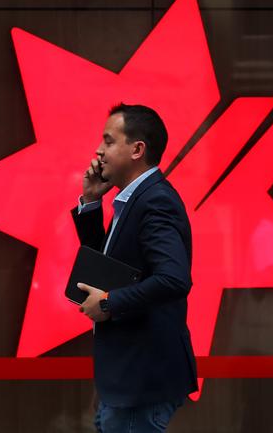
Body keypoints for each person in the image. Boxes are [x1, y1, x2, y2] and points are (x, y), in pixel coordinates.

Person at [71, 103, 198, 433]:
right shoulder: (135, 199)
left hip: (141, 382)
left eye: (110, 141)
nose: (99, 150)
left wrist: (110, 304)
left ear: (137, 149)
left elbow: (173, 279)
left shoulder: (154, 200)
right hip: (126, 381)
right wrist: (90, 204)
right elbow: (110, 267)